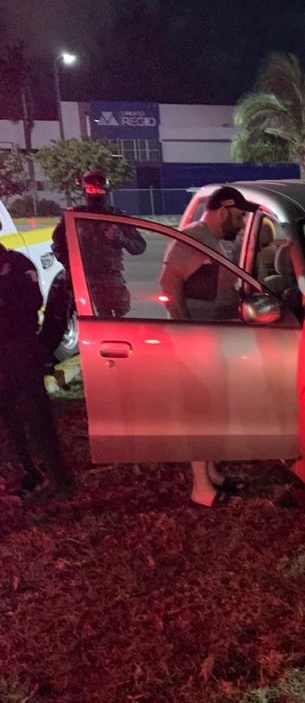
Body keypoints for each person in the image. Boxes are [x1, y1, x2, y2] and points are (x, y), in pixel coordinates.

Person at [159, 185, 257, 507]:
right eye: (240, 216)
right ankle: (201, 488)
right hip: (198, 341)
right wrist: (186, 329)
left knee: (212, 411)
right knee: (200, 414)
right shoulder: (193, 237)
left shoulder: (211, 239)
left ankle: (211, 473)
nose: (242, 223)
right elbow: (169, 281)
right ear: (223, 209)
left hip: (212, 338)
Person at [39, 170, 146, 362]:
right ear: (84, 189)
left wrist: (120, 237)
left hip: (108, 279)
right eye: (90, 187)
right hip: (78, 278)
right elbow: (57, 244)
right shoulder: (74, 216)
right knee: (58, 321)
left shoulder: (117, 217)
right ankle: (42, 361)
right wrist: (71, 265)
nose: (95, 191)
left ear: (106, 188)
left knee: (112, 329)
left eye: (99, 187)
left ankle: (114, 365)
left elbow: (139, 247)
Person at [0, 244, 73, 500]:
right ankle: (29, 474)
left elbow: (33, 301)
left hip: (21, 348)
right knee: (8, 418)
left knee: (38, 416)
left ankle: (59, 478)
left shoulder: (19, 263)